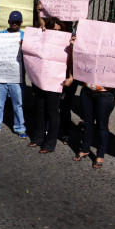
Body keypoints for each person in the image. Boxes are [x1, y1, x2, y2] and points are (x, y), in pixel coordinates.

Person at [72, 42, 115, 168]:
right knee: (87, 122)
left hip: (105, 94)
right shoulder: (92, 47)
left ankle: (100, 154)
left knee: (102, 125)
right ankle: (85, 149)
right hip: (87, 91)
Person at [28, 17, 74, 153]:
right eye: (52, 29)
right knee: (40, 109)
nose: (55, 32)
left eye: (57, 30)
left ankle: (49, 144)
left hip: (56, 81)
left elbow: (72, 62)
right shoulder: (42, 38)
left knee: (53, 112)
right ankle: (38, 138)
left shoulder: (67, 43)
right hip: (41, 80)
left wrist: (71, 77)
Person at [0, 11, 27, 139]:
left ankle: (20, 127)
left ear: (21, 23)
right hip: (0, 75)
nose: (14, 24)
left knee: (18, 103)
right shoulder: (0, 35)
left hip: (16, 77)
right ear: (8, 22)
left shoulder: (25, 37)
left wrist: (25, 46)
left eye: (17, 22)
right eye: (12, 22)